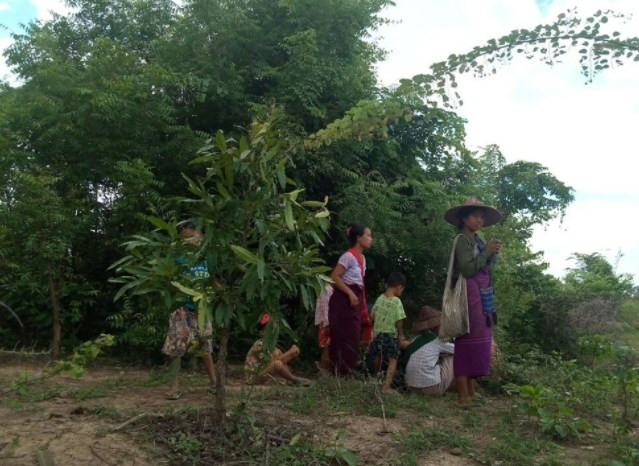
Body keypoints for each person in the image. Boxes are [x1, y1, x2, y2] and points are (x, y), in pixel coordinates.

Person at [443, 197, 502, 407]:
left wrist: (490, 252)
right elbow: (468, 269)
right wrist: (487, 251)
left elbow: (482, 265)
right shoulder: (461, 240)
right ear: (464, 218)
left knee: (480, 341)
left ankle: (471, 392)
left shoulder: (476, 240)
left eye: (482, 217)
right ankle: (462, 396)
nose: (479, 221)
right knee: (467, 341)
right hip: (469, 295)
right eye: (476, 216)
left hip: (482, 295)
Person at [162, 221, 217, 400]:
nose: (190, 240)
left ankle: (214, 383)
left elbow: (212, 280)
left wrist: (223, 294)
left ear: (200, 235)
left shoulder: (206, 258)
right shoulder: (178, 258)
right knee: (177, 346)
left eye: (192, 236)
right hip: (182, 307)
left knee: (206, 347)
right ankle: (174, 386)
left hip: (202, 308)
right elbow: (169, 279)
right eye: (185, 238)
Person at [328, 223, 373, 376]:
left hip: (354, 301)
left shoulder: (363, 258)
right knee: (343, 337)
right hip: (343, 302)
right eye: (368, 235)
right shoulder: (348, 256)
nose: (370, 239)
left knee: (353, 337)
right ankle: (339, 375)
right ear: (358, 238)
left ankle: (347, 374)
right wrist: (349, 293)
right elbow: (334, 277)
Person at [367, 272, 408, 393]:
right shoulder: (396, 301)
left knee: (377, 356)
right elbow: (399, 319)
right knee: (392, 360)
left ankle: (374, 379)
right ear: (399, 287)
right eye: (402, 289)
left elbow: (372, 315)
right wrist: (400, 334)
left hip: (378, 335)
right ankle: (386, 387)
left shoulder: (380, 298)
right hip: (390, 335)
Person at [244, 313, 311, 386]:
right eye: (270, 328)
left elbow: (277, 360)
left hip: (261, 373)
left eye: (274, 328)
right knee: (277, 363)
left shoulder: (270, 345)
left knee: (278, 353)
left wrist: (291, 354)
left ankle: (290, 380)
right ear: (261, 332)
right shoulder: (260, 344)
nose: (273, 331)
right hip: (253, 378)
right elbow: (273, 363)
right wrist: (290, 352)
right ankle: (293, 379)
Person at [405, 306, 455, 395]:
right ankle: (462, 386)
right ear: (436, 326)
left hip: (411, 387)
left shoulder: (414, 339)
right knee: (453, 357)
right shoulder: (438, 341)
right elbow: (458, 350)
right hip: (431, 389)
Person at [314, 283, 334, 372]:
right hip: (327, 323)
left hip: (327, 323)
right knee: (328, 347)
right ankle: (324, 374)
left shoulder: (327, 289)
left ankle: (326, 373)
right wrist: (328, 324)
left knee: (330, 348)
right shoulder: (327, 289)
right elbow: (326, 309)